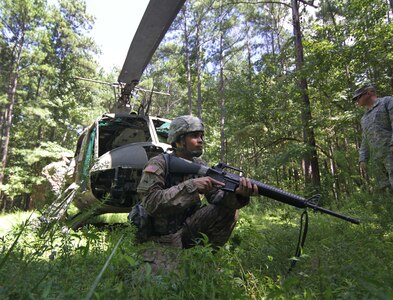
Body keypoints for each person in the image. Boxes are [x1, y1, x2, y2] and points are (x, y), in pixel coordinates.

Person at [134, 115, 258, 249]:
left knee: (229, 210)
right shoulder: (159, 163)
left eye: (201, 136)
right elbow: (150, 203)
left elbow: (218, 197)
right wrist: (192, 186)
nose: (200, 140)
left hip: (187, 229)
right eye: (194, 136)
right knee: (165, 270)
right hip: (158, 237)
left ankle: (206, 257)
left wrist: (237, 194)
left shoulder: (201, 166)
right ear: (178, 140)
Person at [352, 83, 393, 191]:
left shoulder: (387, 101)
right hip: (377, 158)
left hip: (390, 152)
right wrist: (362, 158)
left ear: (369, 93)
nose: (357, 101)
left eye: (359, 97)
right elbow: (365, 138)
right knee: (385, 190)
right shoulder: (364, 118)